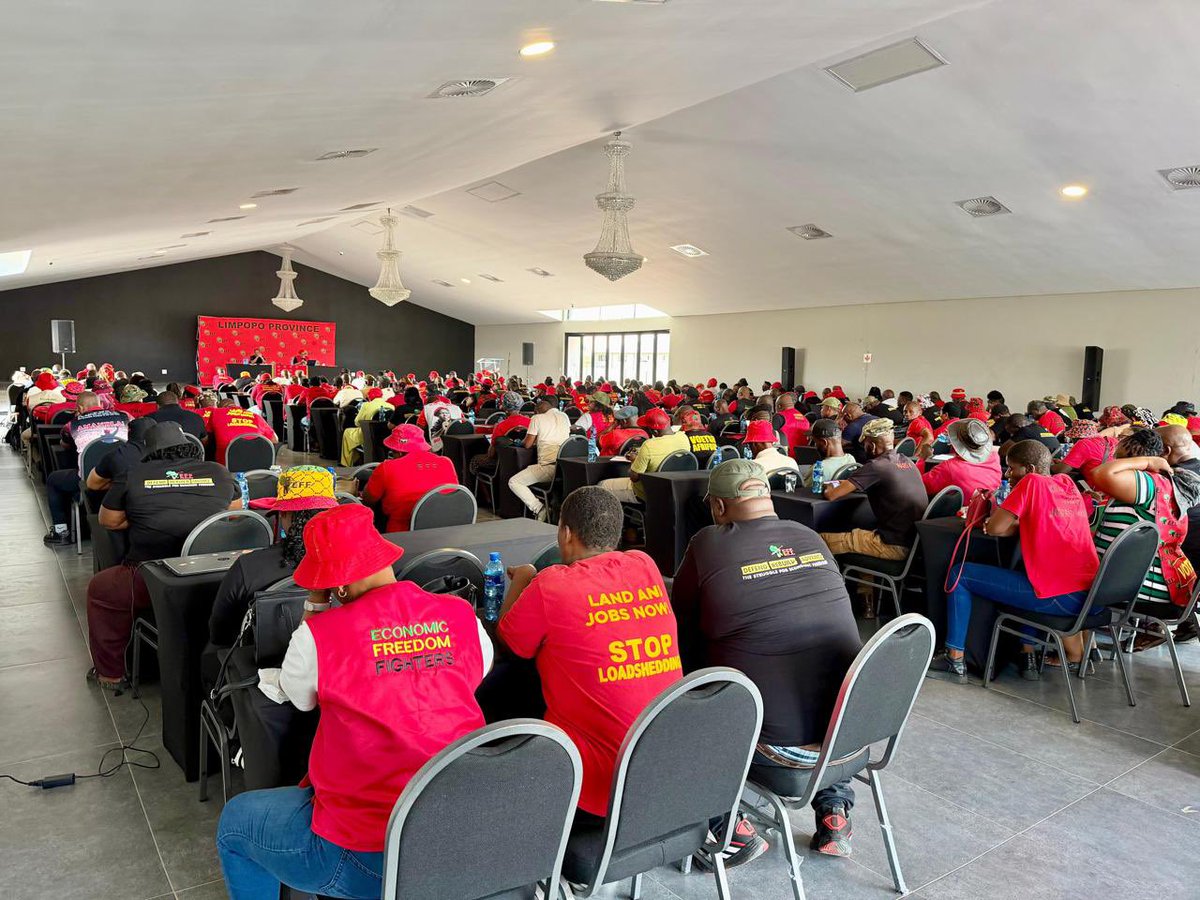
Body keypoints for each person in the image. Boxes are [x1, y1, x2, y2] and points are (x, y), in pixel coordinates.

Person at [216, 504, 492, 899]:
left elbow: (299, 698)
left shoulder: (320, 635)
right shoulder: (461, 614)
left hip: (369, 852)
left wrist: (315, 603)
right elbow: (476, 672)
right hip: (461, 833)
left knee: (234, 825)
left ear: (338, 587)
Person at [672, 460, 862, 859]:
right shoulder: (808, 536)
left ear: (719, 506)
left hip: (780, 751)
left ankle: (727, 827)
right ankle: (833, 811)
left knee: (684, 704)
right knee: (817, 677)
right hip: (851, 735)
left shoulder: (708, 544)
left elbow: (681, 634)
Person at [496, 488, 683, 824]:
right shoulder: (645, 565)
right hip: (667, 780)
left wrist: (523, 579)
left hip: (595, 793)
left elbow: (510, 640)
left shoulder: (551, 584)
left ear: (566, 533)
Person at [927, 440, 1098, 682]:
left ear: (1030, 469)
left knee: (960, 575)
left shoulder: (1031, 482)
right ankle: (1030, 653)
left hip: (1058, 599)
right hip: (1091, 596)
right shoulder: (1066, 483)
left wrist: (1005, 522)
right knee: (1024, 571)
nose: (1007, 474)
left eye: (1011, 468)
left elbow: (995, 528)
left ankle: (954, 659)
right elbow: (1045, 520)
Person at [86, 423, 239, 689]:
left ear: (149, 450)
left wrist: (144, 517)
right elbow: (234, 514)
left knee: (101, 590)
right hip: (214, 576)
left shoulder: (133, 474)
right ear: (189, 445)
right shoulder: (219, 471)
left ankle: (111, 674)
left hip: (152, 576)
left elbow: (108, 520)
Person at [1090, 430, 1200, 651]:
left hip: (1142, 590)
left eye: (1120, 458)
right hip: (1174, 582)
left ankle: (1075, 650)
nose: (1116, 462)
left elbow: (1100, 473)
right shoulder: (1169, 483)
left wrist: (1148, 462)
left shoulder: (1148, 483)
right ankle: (1082, 650)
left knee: (1062, 579)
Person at [208, 466, 339, 649]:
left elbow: (219, 634)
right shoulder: (354, 566)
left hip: (261, 661)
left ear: (284, 514)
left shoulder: (248, 567)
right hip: (332, 654)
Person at [821, 418, 926, 564]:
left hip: (892, 546)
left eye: (864, 444)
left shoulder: (876, 466)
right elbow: (855, 483)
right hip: (913, 544)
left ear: (872, 446)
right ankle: (863, 580)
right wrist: (843, 483)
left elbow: (831, 495)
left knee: (820, 540)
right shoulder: (906, 461)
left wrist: (828, 487)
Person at [43, 390, 131, 545]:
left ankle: (61, 532)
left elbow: (65, 444)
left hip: (90, 483)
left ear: (80, 408)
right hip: (124, 479)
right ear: (100, 404)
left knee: (53, 480)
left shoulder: (72, 425)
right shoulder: (125, 417)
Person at [360, 424, 457, 531]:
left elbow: (368, 499)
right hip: (447, 531)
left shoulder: (387, 468)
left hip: (402, 535)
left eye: (392, 451)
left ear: (399, 451)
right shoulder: (446, 462)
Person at [598, 408, 690, 503]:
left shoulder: (649, 445)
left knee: (601, 486)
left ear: (654, 432)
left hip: (646, 492)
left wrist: (634, 460)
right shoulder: (683, 437)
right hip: (675, 490)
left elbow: (634, 477)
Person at [508, 397, 571, 519]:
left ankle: (540, 509)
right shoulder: (564, 416)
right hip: (563, 469)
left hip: (548, 468)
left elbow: (527, 444)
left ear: (537, 412)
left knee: (514, 482)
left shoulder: (537, 418)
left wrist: (519, 441)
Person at [921, 419, 1002, 499]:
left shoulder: (949, 467)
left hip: (960, 507)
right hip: (990, 505)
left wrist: (922, 458)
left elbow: (921, 486)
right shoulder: (995, 457)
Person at [467, 391, 529, 479]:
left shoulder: (501, 426)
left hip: (503, 463)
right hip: (526, 461)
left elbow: (491, 454)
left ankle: (480, 487)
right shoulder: (530, 422)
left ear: (504, 406)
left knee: (475, 460)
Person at [207, 404, 277, 466]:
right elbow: (275, 440)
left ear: (221, 407)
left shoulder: (216, 412)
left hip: (226, 467)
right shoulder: (255, 415)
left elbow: (206, 437)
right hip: (258, 466)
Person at [1051, 419, 1118, 483]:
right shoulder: (1111, 441)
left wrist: (1048, 464)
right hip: (1112, 484)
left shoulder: (1084, 444)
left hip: (1094, 487)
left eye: (1072, 439)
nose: (1073, 442)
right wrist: (1066, 462)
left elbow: (1061, 470)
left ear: (1077, 438)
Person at [800, 419, 857, 489]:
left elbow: (805, 492)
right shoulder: (851, 459)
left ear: (824, 442)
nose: (815, 445)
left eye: (815, 442)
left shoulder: (818, 469)